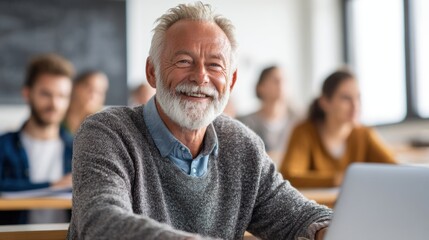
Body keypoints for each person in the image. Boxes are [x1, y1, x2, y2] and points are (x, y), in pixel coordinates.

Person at [67, 2, 332, 240]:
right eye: (184, 61)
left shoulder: (242, 144)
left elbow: (296, 215)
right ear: (152, 72)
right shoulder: (106, 132)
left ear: (232, 81)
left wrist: (328, 228)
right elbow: (100, 220)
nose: (200, 77)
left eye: (215, 65)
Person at [280, 69, 396, 188]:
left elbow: (395, 169)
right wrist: (337, 180)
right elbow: (289, 176)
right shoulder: (304, 132)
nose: (355, 105)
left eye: (358, 97)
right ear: (325, 102)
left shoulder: (363, 133)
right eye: (346, 98)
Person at [0, 53, 74, 224]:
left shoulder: (80, 148)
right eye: (46, 94)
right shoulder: (3, 146)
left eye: (62, 96)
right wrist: (53, 186)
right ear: (27, 93)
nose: (54, 104)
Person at [238, 66, 300, 165]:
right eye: (276, 80)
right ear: (261, 87)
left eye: (284, 80)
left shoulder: (299, 122)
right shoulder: (243, 122)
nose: (281, 84)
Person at [63, 70, 109, 135]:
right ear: (76, 87)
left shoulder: (103, 126)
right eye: (89, 88)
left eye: (100, 92)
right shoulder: (57, 114)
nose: (93, 96)